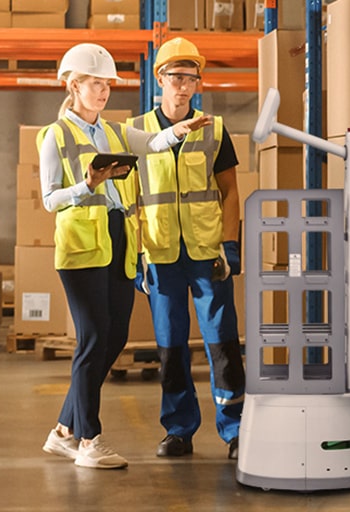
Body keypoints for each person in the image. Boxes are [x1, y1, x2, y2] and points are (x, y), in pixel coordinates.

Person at [37, 43, 211, 470]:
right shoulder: (55, 135)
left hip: (118, 242)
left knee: (114, 338)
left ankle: (63, 431)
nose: (103, 92)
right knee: (94, 337)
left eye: (107, 84)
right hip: (80, 249)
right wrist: (88, 184)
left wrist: (182, 129)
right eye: (95, 84)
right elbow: (48, 199)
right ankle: (89, 440)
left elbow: (153, 143)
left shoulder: (114, 132)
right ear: (73, 86)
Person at [127, 37, 245, 460]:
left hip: (207, 253)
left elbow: (230, 191)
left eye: (190, 78)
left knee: (222, 344)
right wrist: (136, 255)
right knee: (171, 346)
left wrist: (230, 245)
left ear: (199, 83)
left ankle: (235, 430)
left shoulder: (213, 129)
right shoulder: (136, 131)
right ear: (159, 78)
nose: (183, 85)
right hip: (160, 255)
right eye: (175, 77)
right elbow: (132, 198)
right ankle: (178, 429)